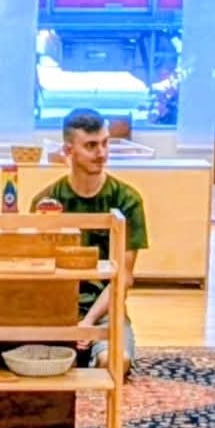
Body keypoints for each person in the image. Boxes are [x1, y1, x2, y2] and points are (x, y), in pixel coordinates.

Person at [35, 109, 147, 362]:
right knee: (21, 359)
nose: (102, 153)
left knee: (116, 362)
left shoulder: (127, 200)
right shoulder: (46, 201)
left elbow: (123, 279)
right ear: (68, 150)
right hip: (56, 309)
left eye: (105, 143)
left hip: (103, 308)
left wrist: (88, 322)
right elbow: (39, 271)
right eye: (91, 146)